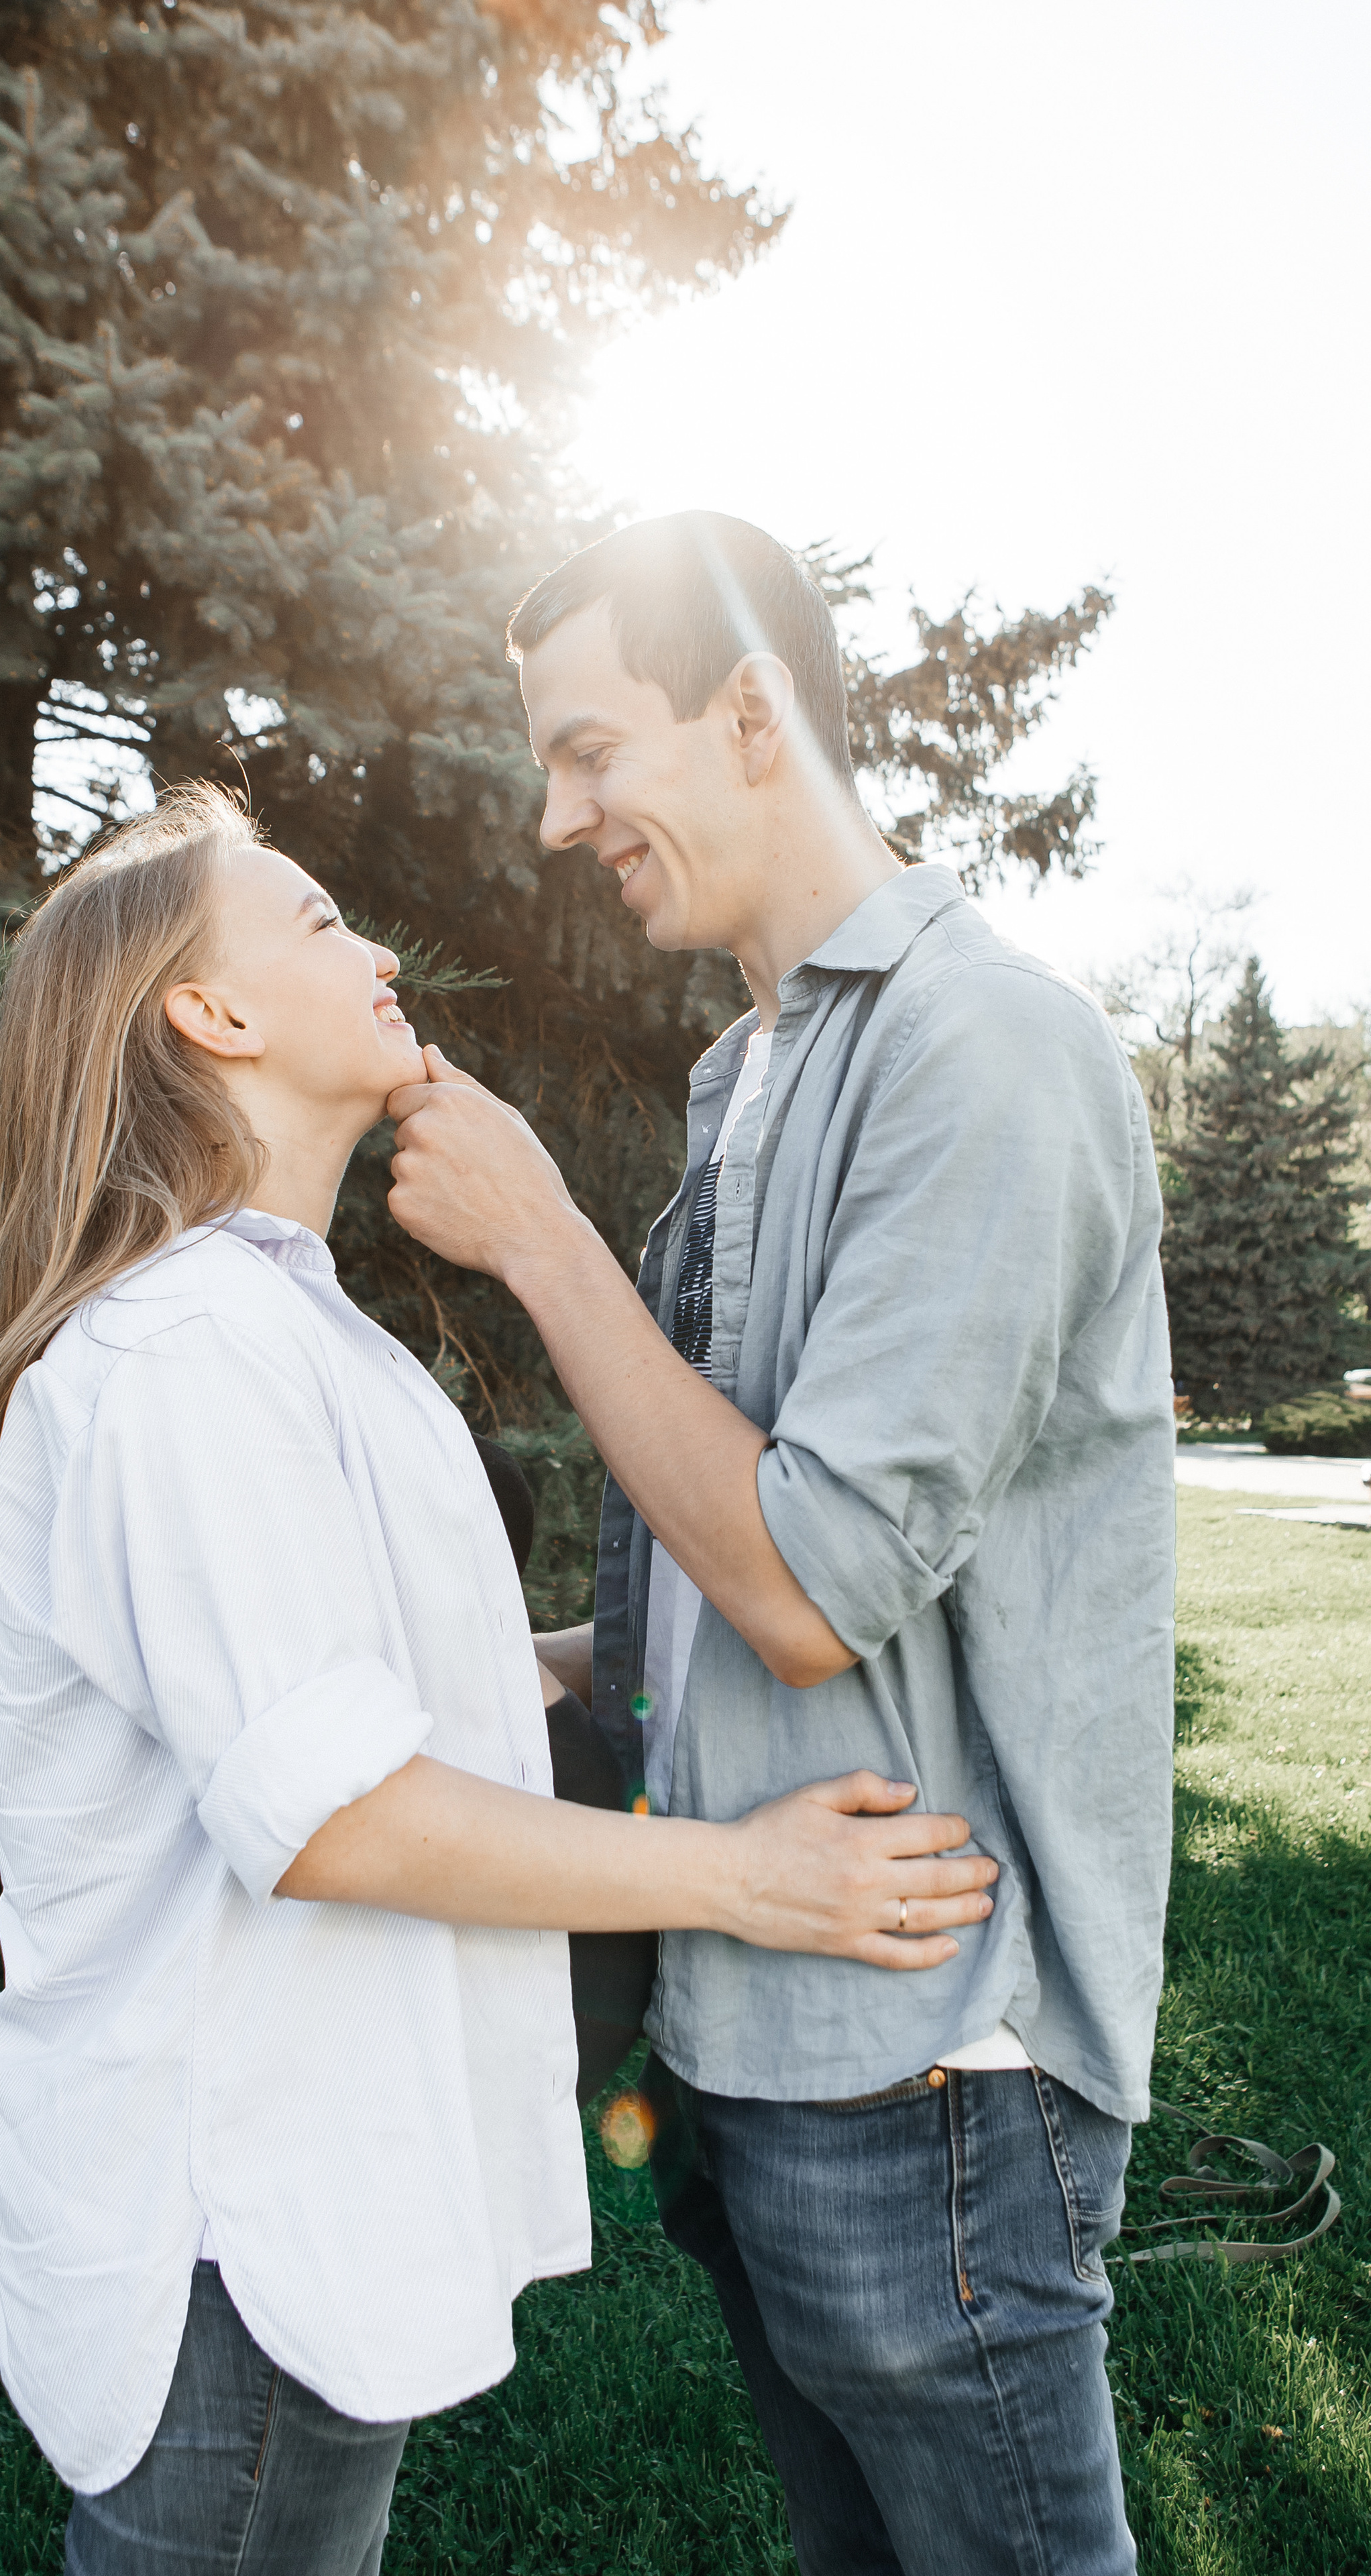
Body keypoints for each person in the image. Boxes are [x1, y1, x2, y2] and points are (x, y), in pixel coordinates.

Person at [0, 780, 999, 2576]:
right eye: (310, 922)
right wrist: (758, 1880)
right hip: (230, 2236)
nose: (374, 951)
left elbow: (404, 1685)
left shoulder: (282, 1322)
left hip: (296, 2196)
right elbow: (341, 1812)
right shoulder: (184, 1351)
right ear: (209, 1018)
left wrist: (740, 1630)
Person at [383, 512, 1176, 2576]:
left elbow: (814, 1587)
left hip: (928, 2053)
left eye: (587, 752)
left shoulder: (980, 1047)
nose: (559, 819)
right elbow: (728, 1518)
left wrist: (549, 1243)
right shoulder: (756, 1069)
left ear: (751, 714)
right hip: (754, 2026)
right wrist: (548, 1659)